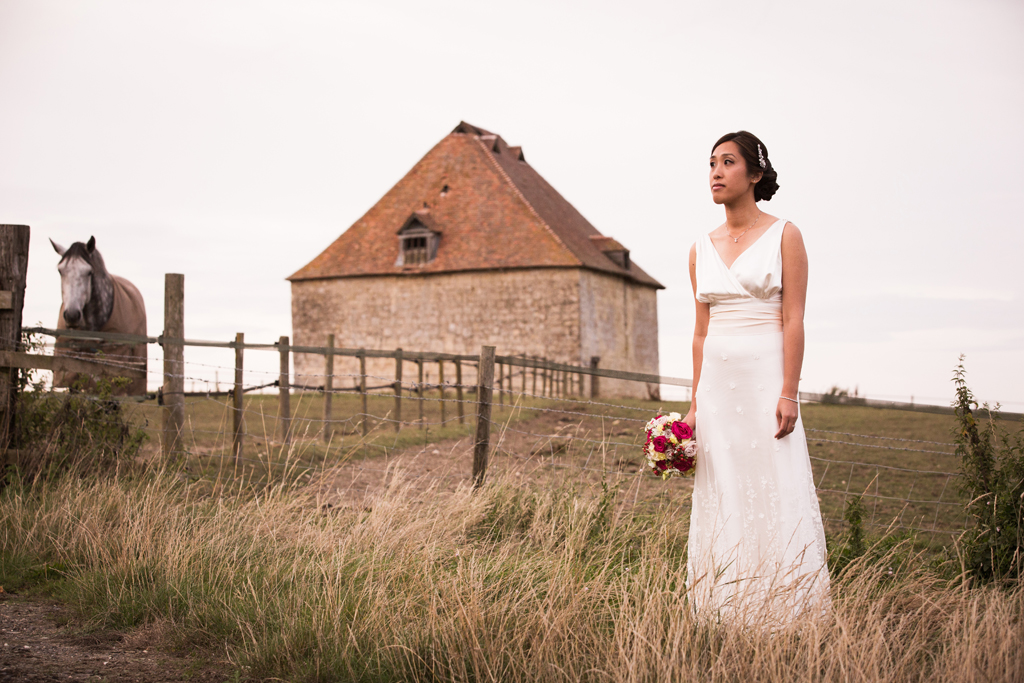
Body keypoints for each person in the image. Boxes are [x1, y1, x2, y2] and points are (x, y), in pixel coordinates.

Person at [682, 131, 830, 622]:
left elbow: (794, 319)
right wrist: (695, 405)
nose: (716, 172)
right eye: (711, 163)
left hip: (767, 382)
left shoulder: (785, 234)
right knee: (723, 488)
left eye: (728, 162)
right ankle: (723, 608)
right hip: (717, 391)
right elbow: (700, 333)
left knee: (774, 484)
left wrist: (790, 392)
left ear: (755, 174)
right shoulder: (699, 248)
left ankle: (785, 611)